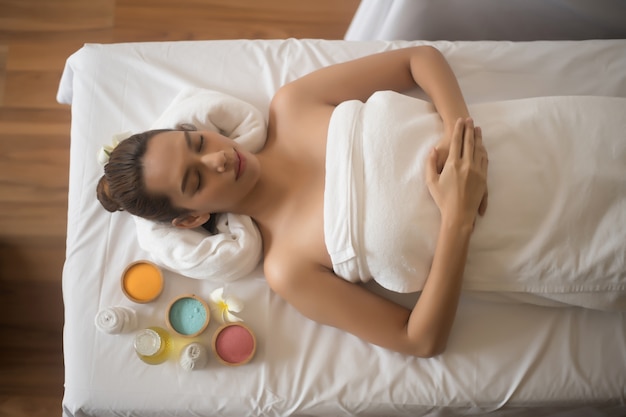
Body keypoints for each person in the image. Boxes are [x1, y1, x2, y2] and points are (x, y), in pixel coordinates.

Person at [96, 46, 491, 357]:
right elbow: (418, 340)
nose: (217, 158)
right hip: (533, 243)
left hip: (528, 134)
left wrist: (460, 134)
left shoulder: (294, 103)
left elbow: (417, 59)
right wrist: (458, 218)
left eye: (197, 143)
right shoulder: (289, 269)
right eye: (196, 179)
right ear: (192, 218)